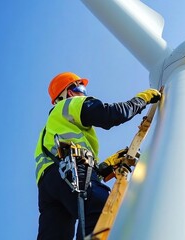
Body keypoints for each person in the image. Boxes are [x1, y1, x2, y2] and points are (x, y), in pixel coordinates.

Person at [35, 72, 161, 240]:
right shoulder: (70, 105)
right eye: (80, 87)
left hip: (49, 186)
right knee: (101, 209)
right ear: (69, 92)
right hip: (71, 170)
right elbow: (110, 114)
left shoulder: (51, 127)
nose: (84, 92)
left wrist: (104, 167)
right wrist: (141, 99)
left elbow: (61, 161)